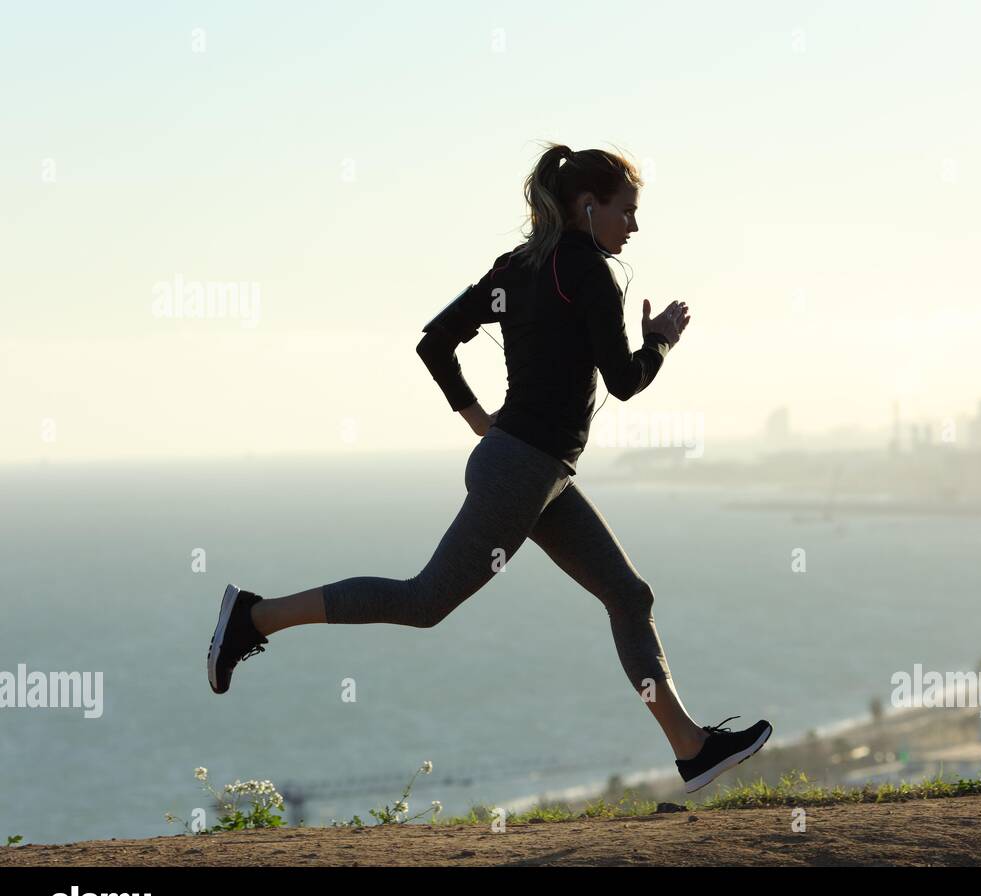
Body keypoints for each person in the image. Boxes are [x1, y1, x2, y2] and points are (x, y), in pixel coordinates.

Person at [206, 142, 771, 794]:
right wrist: (662, 340)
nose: (634, 228)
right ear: (589, 206)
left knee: (628, 594)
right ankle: (254, 616)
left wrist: (481, 423)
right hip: (523, 469)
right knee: (424, 601)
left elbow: (434, 342)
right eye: (628, 212)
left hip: (536, 469)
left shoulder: (518, 267)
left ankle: (691, 748)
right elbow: (622, 381)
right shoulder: (586, 270)